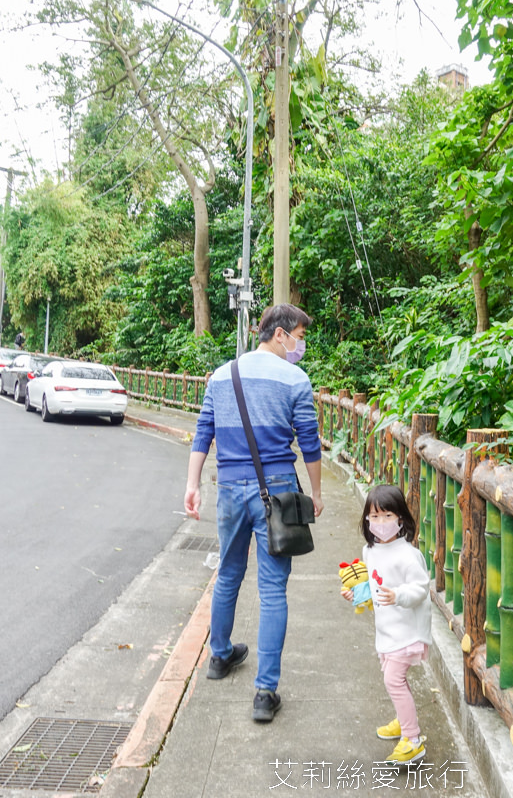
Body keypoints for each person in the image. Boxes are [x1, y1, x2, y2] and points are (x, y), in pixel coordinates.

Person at [184, 304, 324, 723]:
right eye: (299, 336)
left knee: (227, 574)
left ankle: (219, 657)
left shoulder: (222, 374)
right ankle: (264, 692)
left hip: (228, 486)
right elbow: (311, 443)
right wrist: (316, 492)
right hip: (276, 490)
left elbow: (203, 432)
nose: (300, 345)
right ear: (279, 334)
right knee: (273, 589)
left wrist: (191, 485)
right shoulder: (295, 379)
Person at [341, 484, 433, 763]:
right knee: (395, 679)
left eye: (387, 516)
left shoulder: (408, 555)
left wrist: (399, 595)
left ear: (400, 519)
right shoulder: (370, 552)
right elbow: (372, 584)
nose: (381, 523)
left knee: (393, 680)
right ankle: (403, 721)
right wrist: (356, 595)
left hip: (407, 631)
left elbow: (420, 588)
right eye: (375, 517)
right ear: (367, 520)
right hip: (387, 629)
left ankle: (413, 739)